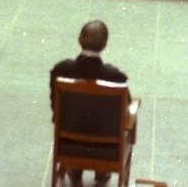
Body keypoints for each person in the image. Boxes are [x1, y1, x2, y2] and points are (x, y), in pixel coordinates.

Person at [49, 20, 129, 186]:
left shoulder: (61, 70)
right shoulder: (116, 77)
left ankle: (74, 166)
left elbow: (54, 104)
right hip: (107, 146)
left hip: (68, 140)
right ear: (105, 44)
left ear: (79, 39)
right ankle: (101, 170)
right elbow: (125, 111)